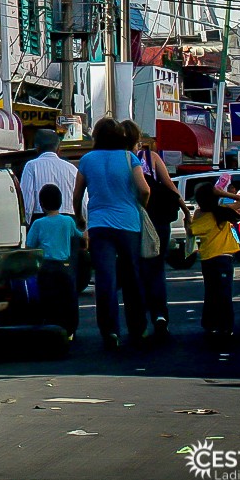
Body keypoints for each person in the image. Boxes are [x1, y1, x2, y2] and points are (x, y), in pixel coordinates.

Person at [72, 116, 151, 350]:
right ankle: (138, 327)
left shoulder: (87, 160)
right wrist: (138, 206)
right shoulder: (130, 158)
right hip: (128, 224)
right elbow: (144, 189)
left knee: (105, 280)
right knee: (132, 277)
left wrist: (80, 217)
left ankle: (110, 331)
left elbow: (77, 195)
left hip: (99, 224)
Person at [124, 119, 184, 341]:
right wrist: (186, 211)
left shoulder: (120, 161)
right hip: (158, 220)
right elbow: (170, 187)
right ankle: (160, 315)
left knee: (136, 271)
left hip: (132, 220)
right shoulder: (151, 158)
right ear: (138, 141)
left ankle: (138, 321)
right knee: (156, 269)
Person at [25, 183, 82, 340]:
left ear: (41, 204)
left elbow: (29, 246)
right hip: (64, 266)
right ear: (61, 201)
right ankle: (69, 330)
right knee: (68, 300)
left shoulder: (38, 224)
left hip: (46, 267)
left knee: (49, 300)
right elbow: (79, 236)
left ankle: (51, 329)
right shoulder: (68, 221)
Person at [190, 190, 240, 344]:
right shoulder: (223, 212)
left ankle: (210, 323)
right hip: (225, 257)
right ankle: (226, 325)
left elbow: (191, 231)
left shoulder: (200, 216)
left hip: (207, 258)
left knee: (211, 292)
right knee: (225, 293)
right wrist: (222, 192)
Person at [20, 127, 82, 224]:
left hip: (41, 220)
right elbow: (83, 201)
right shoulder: (72, 169)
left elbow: (27, 202)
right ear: (58, 148)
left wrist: (26, 224)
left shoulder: (31, 166)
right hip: (69, 221)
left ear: (37, 147)